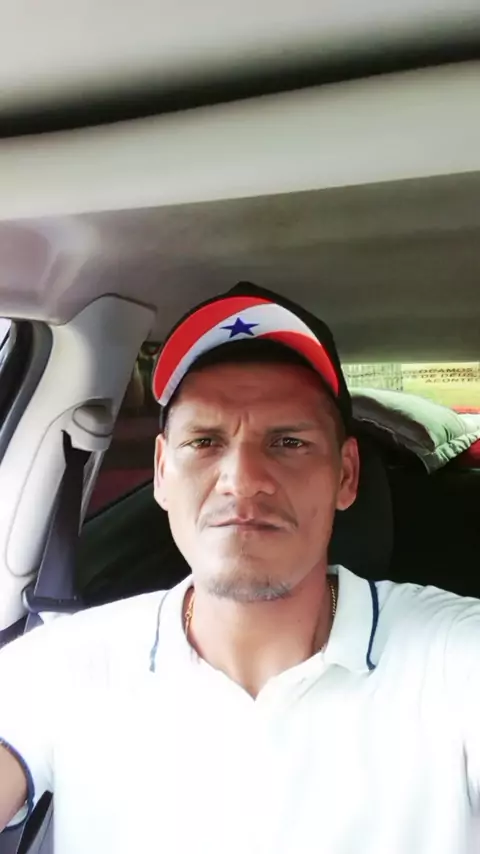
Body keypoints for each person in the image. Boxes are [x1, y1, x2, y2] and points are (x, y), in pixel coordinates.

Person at [0, 281, 479, 854]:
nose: (242, 480)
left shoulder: (453, 657)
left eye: (288, 442)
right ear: (162, 473)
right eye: (205, 441)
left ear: (346, 475)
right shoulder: (64, 666)